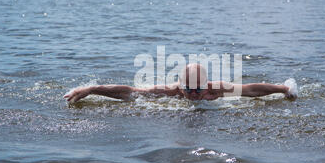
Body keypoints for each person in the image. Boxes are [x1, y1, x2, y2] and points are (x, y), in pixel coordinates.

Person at [64, 63, 298, 103]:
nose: (194, 94)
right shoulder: (172, 92)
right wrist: (92, 89)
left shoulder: (216, 90)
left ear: (206, 85)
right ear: (181, 86)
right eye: (189, 89)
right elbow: (131, 92)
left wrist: (284, 89)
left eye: (198, 89)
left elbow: (252, 90)